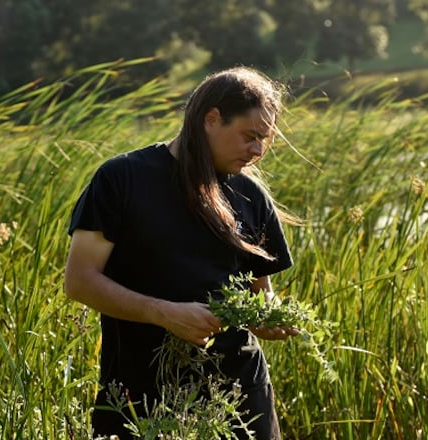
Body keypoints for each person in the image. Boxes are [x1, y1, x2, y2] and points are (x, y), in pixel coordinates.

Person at [64, 66, 299, 439]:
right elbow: (79, 281)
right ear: (211, 119)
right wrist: (163, 313)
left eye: (264, 140)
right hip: (140, 397)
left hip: (238, 398)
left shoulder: (251, 196)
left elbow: (262, 294)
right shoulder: (122, 178)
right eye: (250, 136)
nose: (258, 151)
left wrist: (269, 318)